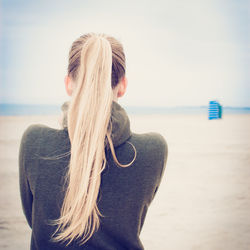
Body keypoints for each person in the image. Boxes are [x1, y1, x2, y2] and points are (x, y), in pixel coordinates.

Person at [19, 33, 168, 250]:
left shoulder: (35, 141)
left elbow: (34, 219)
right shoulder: (153, 150)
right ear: (123, 85)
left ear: (68, 83)